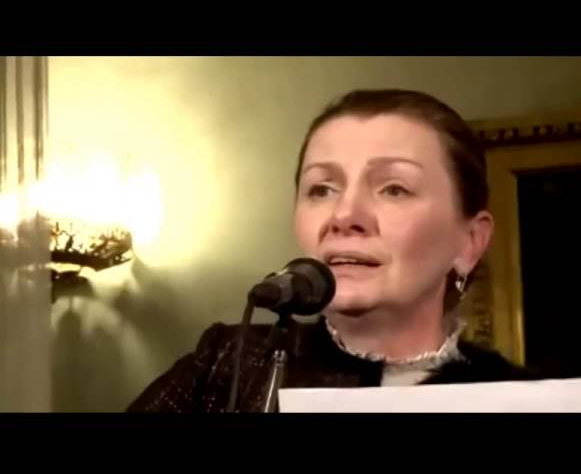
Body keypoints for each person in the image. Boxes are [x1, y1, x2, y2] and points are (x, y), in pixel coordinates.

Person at [127, 89, 538, 413]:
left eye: (394, 189)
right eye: (322, 189)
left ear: (469, 242)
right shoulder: (226, 363)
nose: (344, 215)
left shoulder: (520, 401)